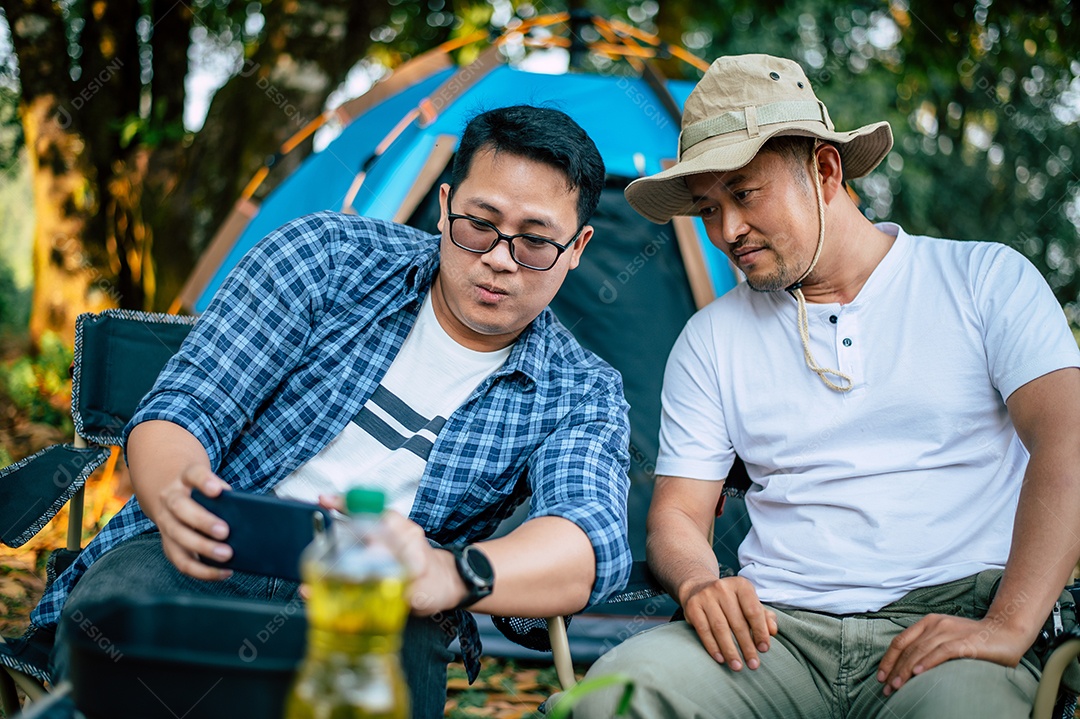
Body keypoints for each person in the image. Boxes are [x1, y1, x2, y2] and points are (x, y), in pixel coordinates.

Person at [23, 105, 633, 718]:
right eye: (480, 223)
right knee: (122, 649)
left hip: (384, 603)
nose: (500, 258)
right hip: (204, 554)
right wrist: (177, 500)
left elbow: (592, 540)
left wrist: (451, 575)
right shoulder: (328, 258)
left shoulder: (578, 390)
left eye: (534, 241)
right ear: (446, 206)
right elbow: (186, 407)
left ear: (577, 247)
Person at [572, 54, 1080, 718]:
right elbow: (675, 516)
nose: (726, 231)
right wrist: (700, 580)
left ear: (826, 171)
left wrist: (1010, 623)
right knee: (615, 694)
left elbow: (1067, 441)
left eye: (744, 193)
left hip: (950, 620)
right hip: (774, 633)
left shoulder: (984, 281)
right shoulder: (711, 338)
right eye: (707, 208)